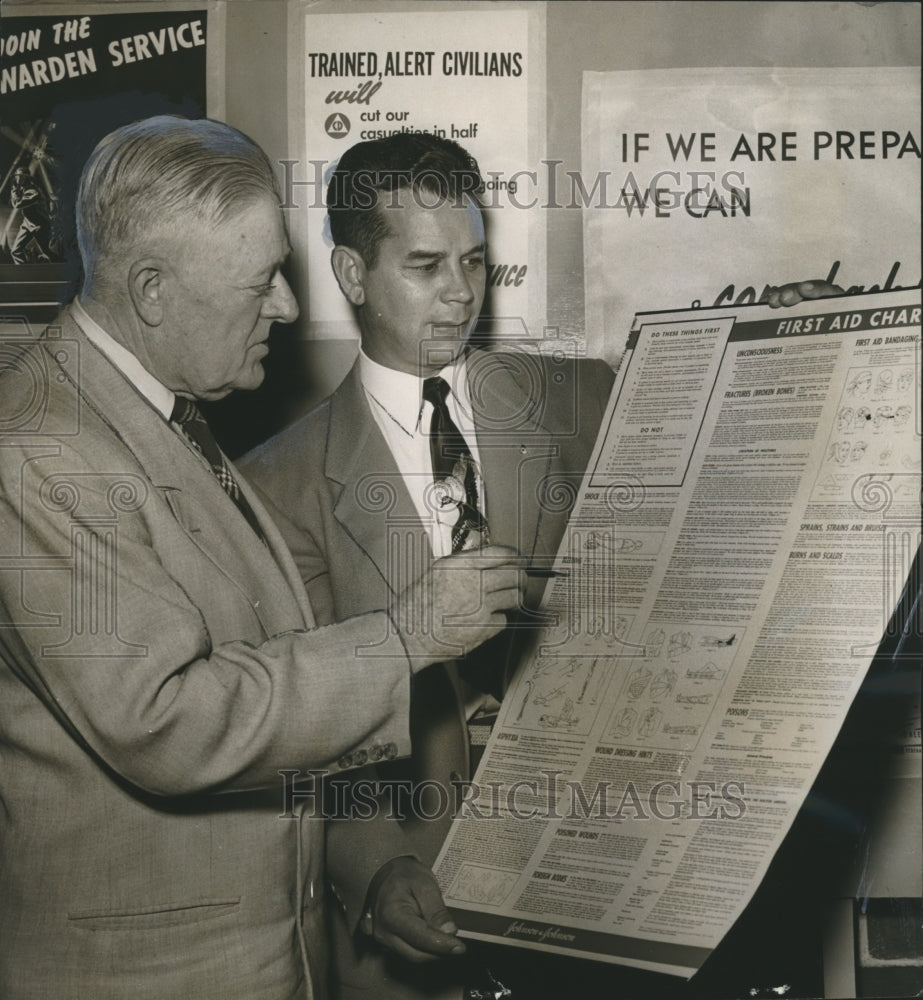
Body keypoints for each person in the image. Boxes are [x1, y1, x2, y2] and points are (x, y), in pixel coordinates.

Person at [241, 133, 846, 999]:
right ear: (349, 274)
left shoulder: (579, 397)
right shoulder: (278, 484)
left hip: (600, 897)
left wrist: (786, 344)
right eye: (424, 265)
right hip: (425, 901)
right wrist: (374, 875)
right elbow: (301, 736)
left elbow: (727, 478)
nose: (458, 293)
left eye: (474, 262)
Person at [0, 116, 526, 1000]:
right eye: (261, 282)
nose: (287, 305)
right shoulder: (45, 450)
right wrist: (402, 640)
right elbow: (164, 722)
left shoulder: (153, 413)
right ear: (153, 290)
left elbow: (266, 672)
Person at [8, 166, 53, 263]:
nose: (18, 179)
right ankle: (22, 273)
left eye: (21, 176)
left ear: (27, 178)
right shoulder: (23, 190)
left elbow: (18, 204)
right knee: (15, 251)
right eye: (17, 177)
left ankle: (61, 268)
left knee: (46, 252)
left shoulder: (33, 191)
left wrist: (14, 193)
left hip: (40, 225)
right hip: (27, 224)